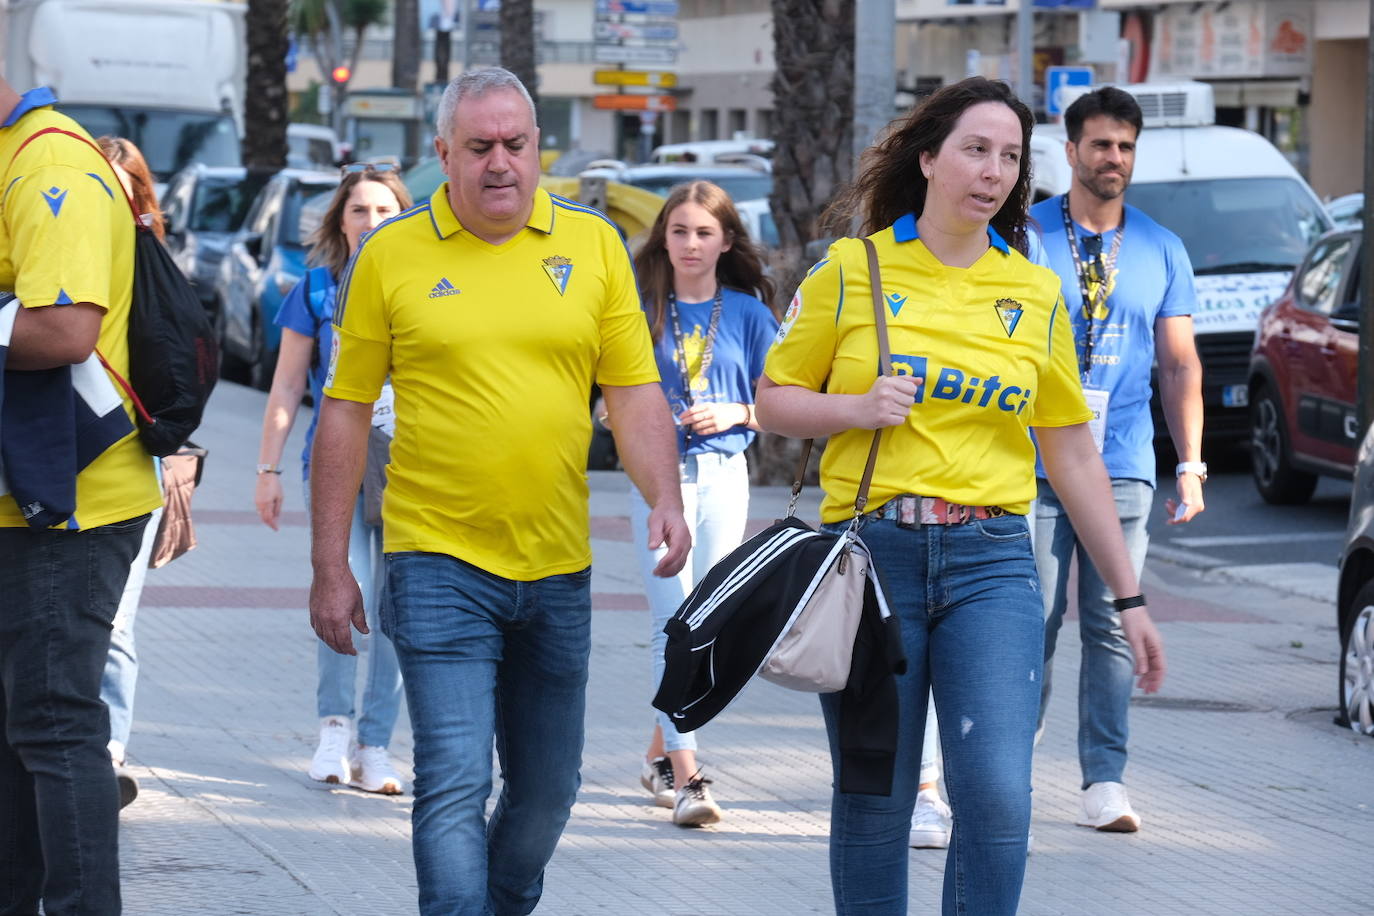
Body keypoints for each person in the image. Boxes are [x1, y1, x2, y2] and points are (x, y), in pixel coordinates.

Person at [754, 77, 1167, 915]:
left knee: (998, 800)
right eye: (977, 150)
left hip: (993, 564)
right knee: (875, 799)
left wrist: (1128, 597)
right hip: (873, 561)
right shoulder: (853, 268)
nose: (994, 172)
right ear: (930, 157)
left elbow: (1072, 452)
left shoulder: (1034, 289)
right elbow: (773, 399)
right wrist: (853, 407)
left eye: (1012, 158)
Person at [308, 67, 689, 915]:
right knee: (452, 779)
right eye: (478, 147)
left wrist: (664, 492)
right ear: (443, 153)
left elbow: (630, 392)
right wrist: (329, 564)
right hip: (434, 559)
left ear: (538, 147)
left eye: (516, 144)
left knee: (549, 791)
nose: (500, 163)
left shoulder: (590, 246)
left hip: (557, 566)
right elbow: (343, 412)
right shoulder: (392, 254)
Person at [0, 80, 160, 914]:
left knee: (56, 728)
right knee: (22, 736)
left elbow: (66, 329)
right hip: (33, 497)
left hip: (71, 505)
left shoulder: (47, 162)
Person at [1029, 86, 1203, 833]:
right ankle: (1007, 764)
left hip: (1124, 464)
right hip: (1031, 466)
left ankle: (1104, 779)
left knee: (1108, 622)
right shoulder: (1026, 236)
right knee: (1027, 619)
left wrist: (1190, 462)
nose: (1114, 159)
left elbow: (1179, 365)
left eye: (1126, 147)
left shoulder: (1162, 246)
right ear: (1071, 152)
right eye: (1101, 145)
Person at [254, 164, 412, 795]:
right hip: (337, 465)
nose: (371, 221)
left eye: (383, 210)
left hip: (409, 466)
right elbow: (289, 384)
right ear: (339, 221)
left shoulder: (427, 285)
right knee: (340, 592)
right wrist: (267, 468)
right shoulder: (317, 289)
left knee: (396, 609)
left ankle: (375, 745)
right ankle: (333, 728)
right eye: (358, 211)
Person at [625, 181, 778, 827]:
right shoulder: (638, 308)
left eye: (704, 232)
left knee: (710, 625)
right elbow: (611, 392)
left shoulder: (747, 313)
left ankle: (658, 754)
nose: (690, 243)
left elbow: (783, 399)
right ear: (664, 235)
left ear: (726, 241)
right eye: (680, 230)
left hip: (724, 477)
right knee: (675, 626)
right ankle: (689, 778)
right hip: (657, 481)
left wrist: (739, 410)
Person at [94, 135, 167, 809]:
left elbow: (182, 388)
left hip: (134, 472)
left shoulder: (158, 273)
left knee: (115, 622)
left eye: (124, 185)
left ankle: (109, 754)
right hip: (63, 472)